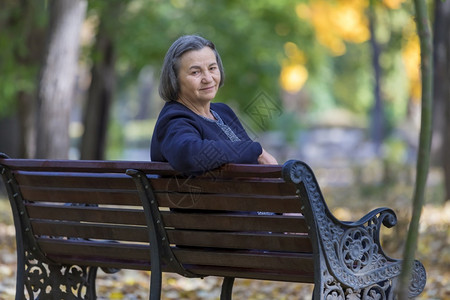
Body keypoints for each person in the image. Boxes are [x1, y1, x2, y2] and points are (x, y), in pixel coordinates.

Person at [151, 35, 277, 175]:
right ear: (174, 79)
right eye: (195, 72)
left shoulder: (223, 112)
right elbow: (188, 154)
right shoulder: (174, 120)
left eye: (212, 68)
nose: (208, 78)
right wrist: (255, 151)